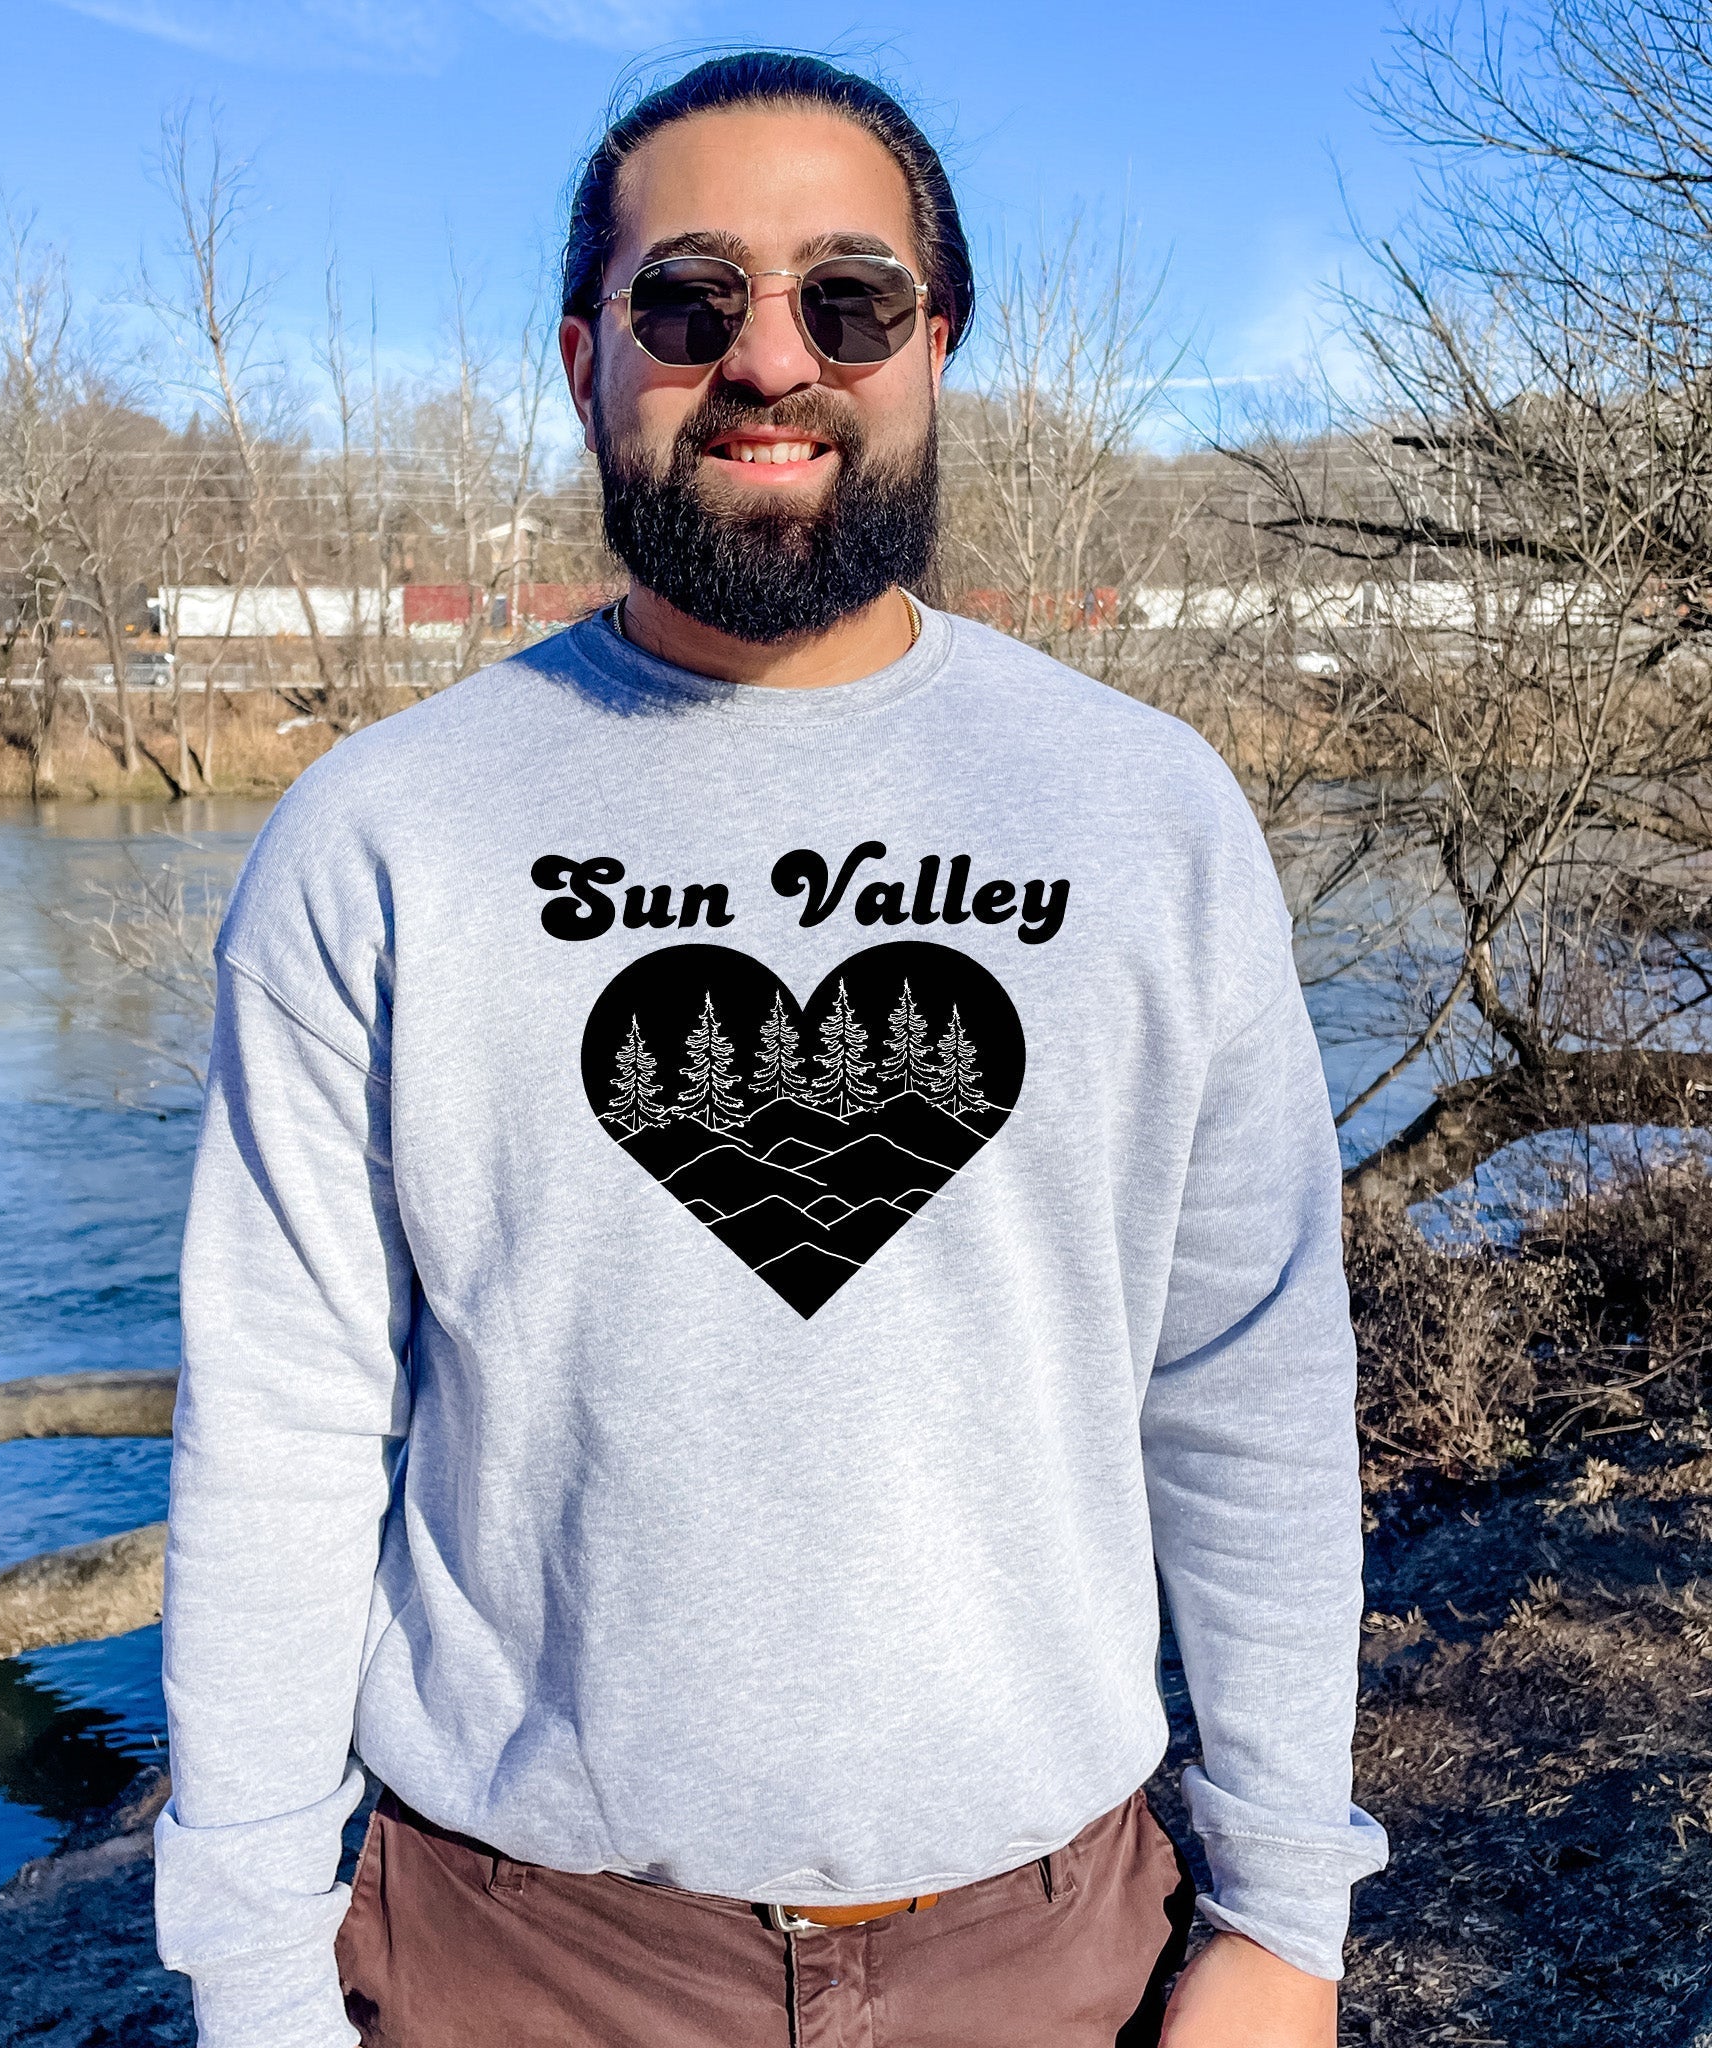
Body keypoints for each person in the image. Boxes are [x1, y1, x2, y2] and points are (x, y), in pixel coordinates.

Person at [153, 50, 1387, 2048]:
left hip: (1057, 1946)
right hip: (514, 1960)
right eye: (688, 299)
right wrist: (254, 1973)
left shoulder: (1146, 814)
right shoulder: (381, 835)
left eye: (849, 299)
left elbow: (1244, 1384)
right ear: (585, 358)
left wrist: (1284, 1913)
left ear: (935, 344)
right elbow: (283, 1432)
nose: (767, 359)